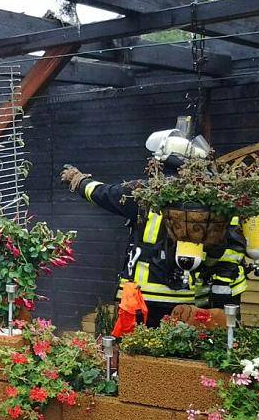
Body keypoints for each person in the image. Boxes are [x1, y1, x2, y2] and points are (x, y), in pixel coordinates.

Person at [59, 127, 212, 327]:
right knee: (173, 350)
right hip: (183, 295)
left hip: (142, 294)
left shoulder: (144, 192)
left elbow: (104, 194)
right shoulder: (203, 199)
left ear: (162, 160)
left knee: (134, 350)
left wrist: (78, 181)